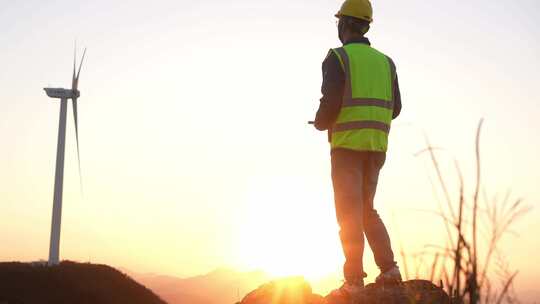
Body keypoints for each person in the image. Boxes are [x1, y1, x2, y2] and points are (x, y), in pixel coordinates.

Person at [313, 0, 403, 301]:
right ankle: (389, 270)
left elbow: (332, 100)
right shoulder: (386, 62)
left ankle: (353, 282)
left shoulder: (337, 58)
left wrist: (320, 123)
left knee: (348, 215)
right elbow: (397, 108)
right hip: (376, 148)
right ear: (366, 26)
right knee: (366, 210)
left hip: (347, 148)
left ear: (345, 24)